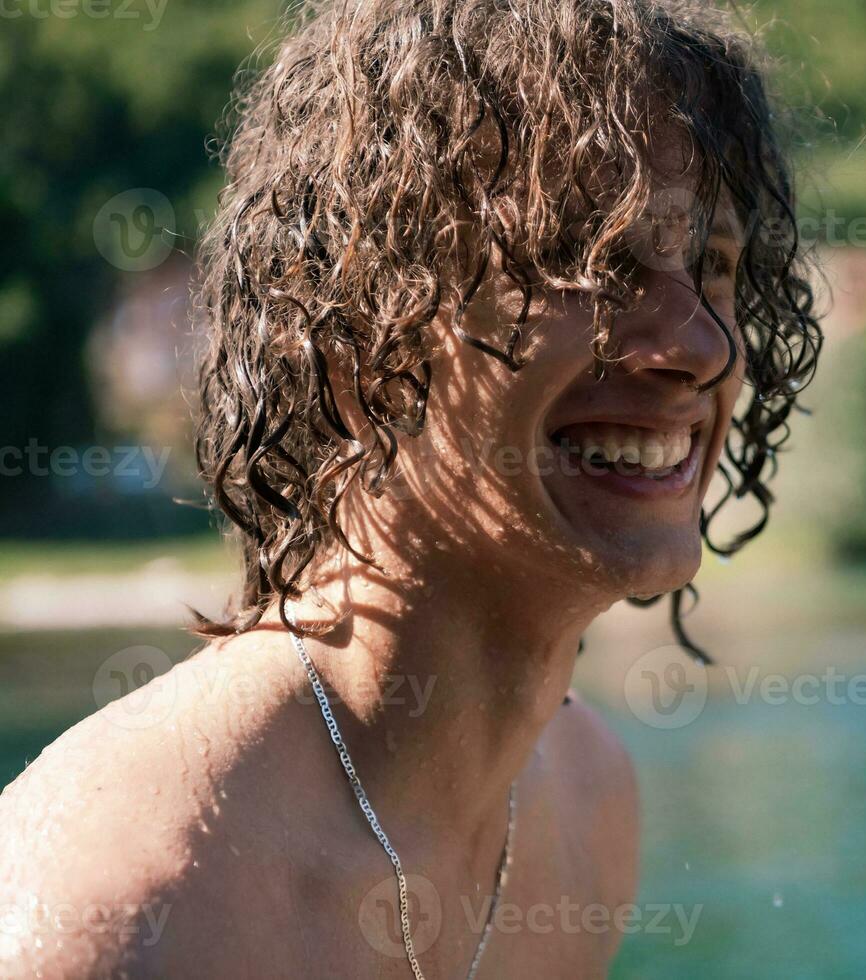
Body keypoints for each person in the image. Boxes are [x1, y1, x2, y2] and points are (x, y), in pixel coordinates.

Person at [0, 0, 820, 975]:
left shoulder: (589, 799)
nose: (693, 344)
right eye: (586, 258)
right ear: (356, 319)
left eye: (713, 265)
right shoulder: (122, 902)